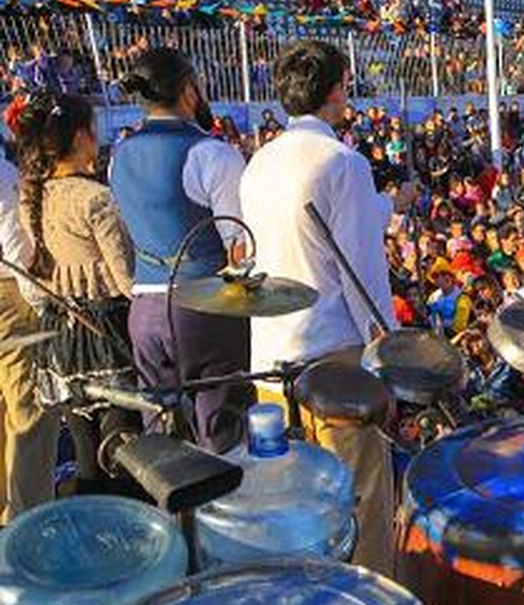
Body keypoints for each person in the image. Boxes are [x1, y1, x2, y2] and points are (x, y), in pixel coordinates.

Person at [239, 40, 396, 576]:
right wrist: (388, 350)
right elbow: (363, 272)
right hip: (333, 353)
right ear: (336, 91)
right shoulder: (342, 162)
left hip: (271, 351)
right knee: (361, 495)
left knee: (293, 501)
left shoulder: (257, 161)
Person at [111, 48, 251, 452]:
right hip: (204, 310)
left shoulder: (118, 155)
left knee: (161, 439)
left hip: (144, 311)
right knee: (223, 434)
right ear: (188, 90)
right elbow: (238, 246)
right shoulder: (212, 153)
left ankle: (170, 514)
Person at [13, 93, 136, 497]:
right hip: (104, 332)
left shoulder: (33, 195)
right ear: (83, 137)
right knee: (122, 447)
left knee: (86, 451)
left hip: (59, 333)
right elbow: (125, 279)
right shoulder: (94, 197)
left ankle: (87, 530)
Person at [0, 141, 57, 520]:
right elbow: (16, 250)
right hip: (10, 293)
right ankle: (28, 525)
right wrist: (46, 307)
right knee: (30, 413)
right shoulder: (4, 176)